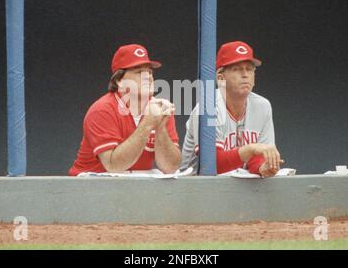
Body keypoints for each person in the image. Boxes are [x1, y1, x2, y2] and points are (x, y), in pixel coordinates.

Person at [69, 44, 181, 176]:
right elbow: (114, 166)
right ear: (119, 81)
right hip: (91, 186)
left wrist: (160, 126)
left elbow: (170, 168)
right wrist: (148, 124)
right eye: (139, 72)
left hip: (132, 186)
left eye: (150, 72)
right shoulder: (103, 110)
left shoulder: (158, 108)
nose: (148, 77)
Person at [182, 41, 283, 177]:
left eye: (249, 69)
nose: (245, 74)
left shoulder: (262, 106)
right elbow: (211, 165)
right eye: (237, 69)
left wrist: (262, 168)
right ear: (220, 78)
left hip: (237, 187)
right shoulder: (208, 107)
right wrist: (251, 149)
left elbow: (258, 157)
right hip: (194, 188)